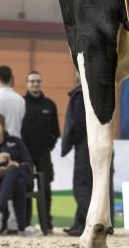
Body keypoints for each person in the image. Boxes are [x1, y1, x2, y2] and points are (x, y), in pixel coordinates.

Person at [0, 113, 34, 235]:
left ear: (3, 126)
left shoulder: (16, 142)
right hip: (1, 183)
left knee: (13, 169)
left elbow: (30, 164)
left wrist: (17, 165)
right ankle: (22, 227)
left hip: (25, 176)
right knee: (19, 183)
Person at [20, 70, 59, 230]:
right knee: (26, 187)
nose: (35, 84)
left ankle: (46, 223)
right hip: (25, 155)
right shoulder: (20, 103)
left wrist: (48, 145)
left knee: (46, 189)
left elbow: (56, 131)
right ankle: (26, 223)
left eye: (37, 81)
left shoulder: (50, 104)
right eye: (32, 81)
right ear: (27, 84)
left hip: (44, 154)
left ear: (41, 83)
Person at [61, 73, 89, 236]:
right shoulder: (97, 93)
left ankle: (91, 222)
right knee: (87, 186)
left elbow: (78, 124)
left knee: (80, 187)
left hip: (84, 147)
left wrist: (70, 140)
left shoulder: (80, 95)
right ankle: (79, 223)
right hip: (94, 145)